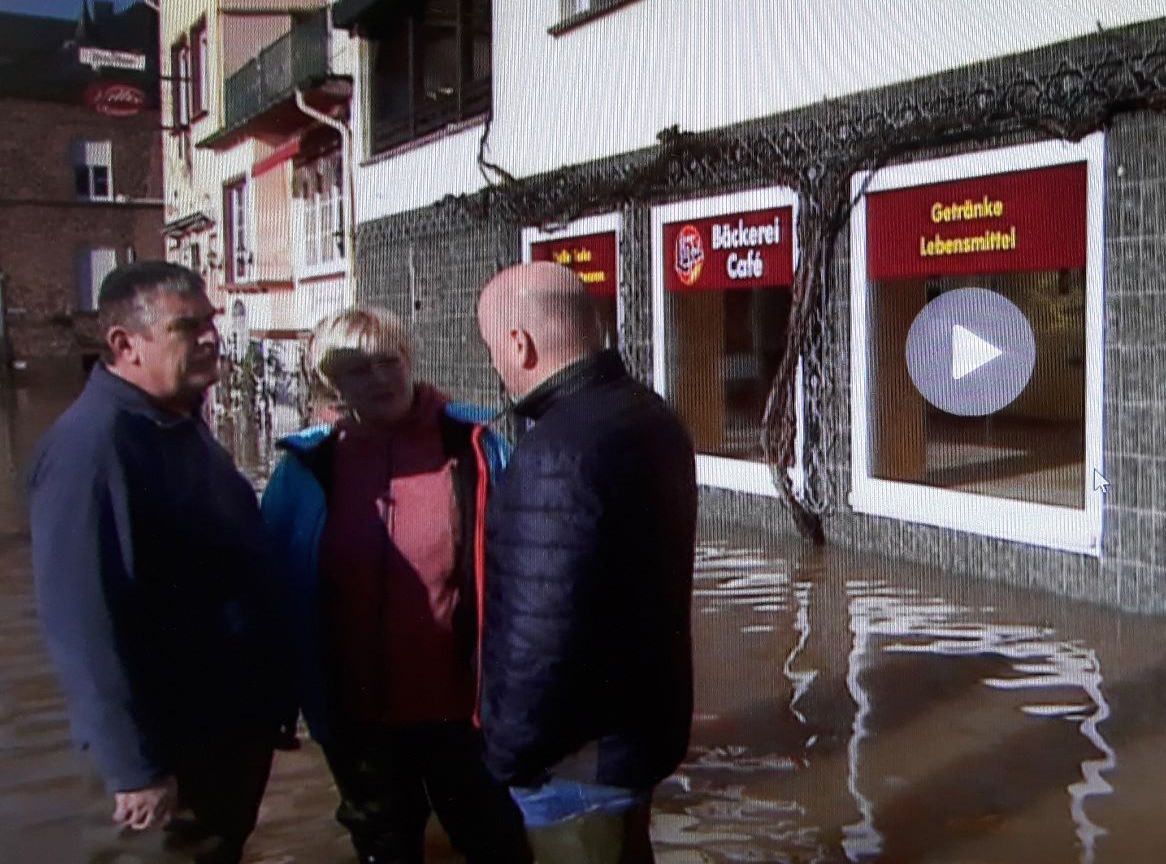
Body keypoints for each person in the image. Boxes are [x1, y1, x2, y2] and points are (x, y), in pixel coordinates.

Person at [28, 261, 290, 864]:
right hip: (176, 756)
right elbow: (82, 623)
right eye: (186, 327)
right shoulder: (93, 449)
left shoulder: (173, 420)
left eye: (210, 322)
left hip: (224, 735)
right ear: (125, 345)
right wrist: (133, 767)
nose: (210, 338)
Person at [260, 305, 532, 864]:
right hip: (358, 718)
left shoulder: (475, 449)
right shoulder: (306, 469)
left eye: (389, 361)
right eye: (358, 370)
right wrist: (277, 700)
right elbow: (276, 593)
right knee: (383, 846)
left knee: (495, 844)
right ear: (330, 384)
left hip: (466, 711)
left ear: (410, 360)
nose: (380, 378)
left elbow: (528, 569)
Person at [476, 262, 698, 863]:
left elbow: (538, 633)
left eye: (494, 348)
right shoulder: (650, 415)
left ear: (519, 343)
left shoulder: (554, 451)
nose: (497, 366)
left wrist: (505, 757)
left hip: (574, 765)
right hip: (637, 739)